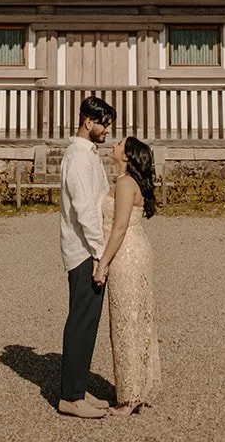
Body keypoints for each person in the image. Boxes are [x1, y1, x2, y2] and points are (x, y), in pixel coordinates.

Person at [93, 136, 161, 416]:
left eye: (120, 143)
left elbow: (119, 227)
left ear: (128, 155)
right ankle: (135, 388)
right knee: (135, 320)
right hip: (136, 250)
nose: (114, 144)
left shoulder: (124, 183)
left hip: (126, 255)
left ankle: (130, 396)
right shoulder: (128, 182)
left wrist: (102, 264)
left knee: (125, 322)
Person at [58, 95, 115, 419]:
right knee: (81, 320)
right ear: (87, 122)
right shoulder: (78, 157)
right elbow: (84, 209)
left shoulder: (88, 154)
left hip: (90, 249)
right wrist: (99, 253)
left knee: (88, 320)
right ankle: (70, 396)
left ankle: (77, 387)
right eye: (104, 124)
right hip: (84, 251)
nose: (108, 130)